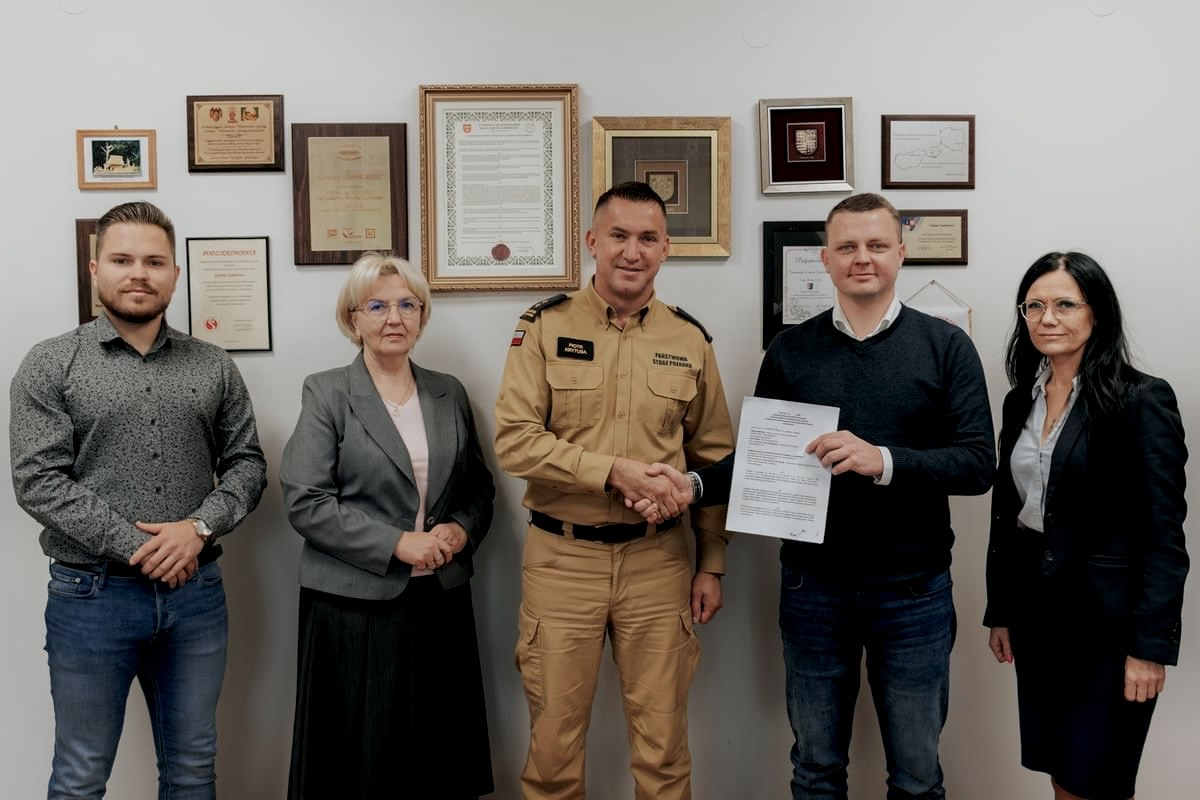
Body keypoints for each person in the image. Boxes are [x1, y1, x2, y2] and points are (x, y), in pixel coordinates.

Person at [638, 193, 995, 799]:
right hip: (814, 589)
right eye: (847, 247)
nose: (862, 258)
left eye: (876, 245)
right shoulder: (790, 350)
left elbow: (977, 463)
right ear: (825, 260)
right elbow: (760, 460)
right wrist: (691, 484)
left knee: (916, 775)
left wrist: (882, 460)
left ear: (900, 254)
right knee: (815, 770)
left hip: (914, 590)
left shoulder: (946, 346)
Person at [10, 201, 267, 799]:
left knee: (192, 769)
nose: (138, 274)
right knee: (80, 775)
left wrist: (196, 529)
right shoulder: (50, 363)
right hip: (91, 597)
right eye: (122, 260)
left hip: (195, 598)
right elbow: (38, 479)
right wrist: (143, 546)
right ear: (95, 268)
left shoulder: (214, 365)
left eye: (154, 261)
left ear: (174, 273)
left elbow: (248, 463)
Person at [494, 181, 735, 800]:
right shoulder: (543, 327)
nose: (633, 251)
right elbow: (515, 442)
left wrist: (711, 562)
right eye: (619, 236)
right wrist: (612, 471)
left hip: (659, 561)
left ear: (666, 248)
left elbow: (714, 458)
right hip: (562, 561)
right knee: (553, 752)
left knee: (663, 752)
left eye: (648, 238)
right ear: (592, 242)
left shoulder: (688, 339)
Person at [280, 253, 495, 799]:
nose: (394, 318)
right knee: (360, 765)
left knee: (437, 761)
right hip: (353, 607)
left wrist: (459, 531)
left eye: (407, 305)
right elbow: (306, 501)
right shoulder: (327, 392)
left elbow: (477, 488)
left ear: (422, 316)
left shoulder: (448, 392)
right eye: (376, 306)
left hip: (440, 600)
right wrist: (398, 543)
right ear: (353, 319)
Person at [983, 252, 1188, 800]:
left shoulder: (1141, 399)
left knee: (1098, 778)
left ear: (1097, 313)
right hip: (1038, 617)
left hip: (1108, 627)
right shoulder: (1019, 400)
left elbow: (1164, 535)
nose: (1047, 318)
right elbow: (1008, 512)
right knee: (1062, 771)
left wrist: (1149, 648)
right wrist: (1001, 610)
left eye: (1065, 304)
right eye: (1034, 306)